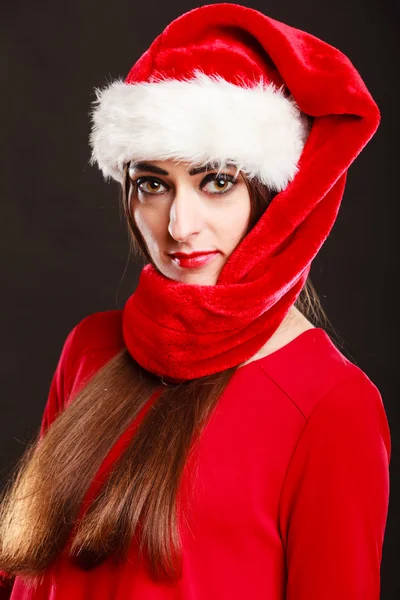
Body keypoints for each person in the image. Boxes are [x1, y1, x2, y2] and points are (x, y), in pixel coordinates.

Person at [0, 3, 391, 599]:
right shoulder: (90, 347)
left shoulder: (334, 406)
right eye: (153, 184)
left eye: (216, 182)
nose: (180, 225)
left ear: (275, 196)